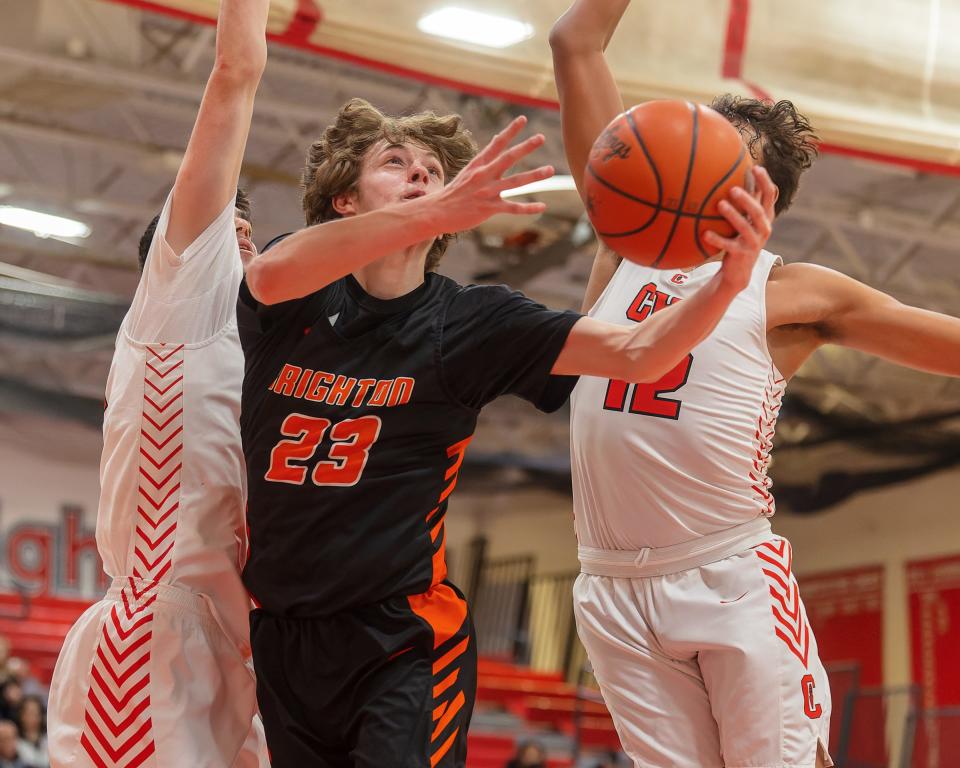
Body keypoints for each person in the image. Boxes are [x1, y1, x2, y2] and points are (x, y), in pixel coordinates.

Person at [237, 94, 773, 767]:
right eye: (395, 162)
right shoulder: (300, 290)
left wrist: (727, 283)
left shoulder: (471, 325)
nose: (422, 175)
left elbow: (640, 354)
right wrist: (434, 208)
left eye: (434, 169)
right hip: (285, 638)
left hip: (402, 638)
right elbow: (266, 273)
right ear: (344, 200)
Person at [550, 2, 960, 767]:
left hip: (727, 573)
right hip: (607, 582)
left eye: (719, 142)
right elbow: (574, 41)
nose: (688, 143)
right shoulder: (622, 252)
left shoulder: (793, 290)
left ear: (757, 186)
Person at [47, 1, 271, 765]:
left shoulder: (252, 353)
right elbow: (235, 74)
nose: (244, 237)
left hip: (237, 643)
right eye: (227, 231)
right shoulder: (178, 296)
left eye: (248, 232)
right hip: (154, 636)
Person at [14, 696, 47, 768]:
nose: (34, 717)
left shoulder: (48, 738)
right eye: (30, 713)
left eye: (37, 713)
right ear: (21, 715)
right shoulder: (15, 741)